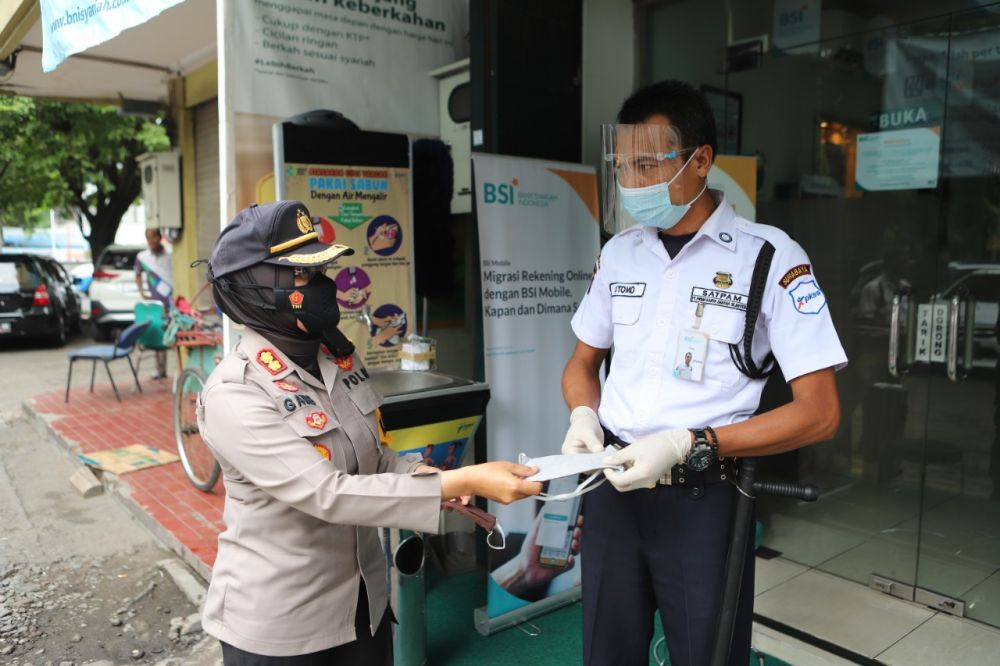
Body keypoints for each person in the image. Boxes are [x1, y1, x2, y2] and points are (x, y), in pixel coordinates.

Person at [560, 81, 847, 666]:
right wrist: (583, 415)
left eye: (648, 163)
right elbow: (582, 363)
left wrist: (692, 442)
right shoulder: (620, 253)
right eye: (623, 165)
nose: (632, 180)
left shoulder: (768, 257)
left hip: (705, 495)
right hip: (612, 488)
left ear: (701, 161)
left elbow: (820, 412)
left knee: (705, 654)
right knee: (605, 651)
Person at [197, 200, 542, 665]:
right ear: (257, 288)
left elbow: (376, 458)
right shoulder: (235, 393)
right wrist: (461, 480)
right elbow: (328, 494)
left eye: (323, 270)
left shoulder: (336, 357)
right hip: (283, 628)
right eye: (303, 276)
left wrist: (428, 480)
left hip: (364, 607)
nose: (323, 286)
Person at [134, 228, 173, 378]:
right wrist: (142, 291)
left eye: (154, 237)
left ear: (160, 237)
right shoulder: (142, 257)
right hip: (155, 303)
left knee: (173, 333)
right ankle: (161, 370)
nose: (152, 241)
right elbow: (137, 274)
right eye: (149, 238)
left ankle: (176, 369)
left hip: (171, 301)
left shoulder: (170, 253)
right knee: (158, 333)